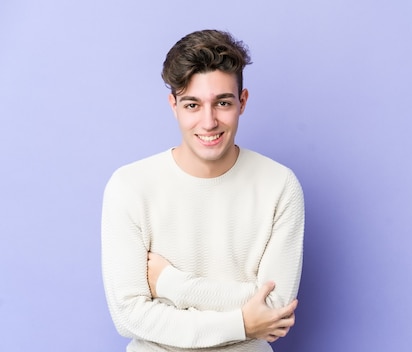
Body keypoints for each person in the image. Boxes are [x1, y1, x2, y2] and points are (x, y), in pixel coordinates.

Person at [101, 29, 305, 352]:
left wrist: (172, 284)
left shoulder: (280, 186)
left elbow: (273, 310)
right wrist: (242, 321)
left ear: (243, 102)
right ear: (174, 105)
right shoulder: (129, 187)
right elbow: (129, 316)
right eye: (192, 105)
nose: (208, 122)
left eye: (222, 102)